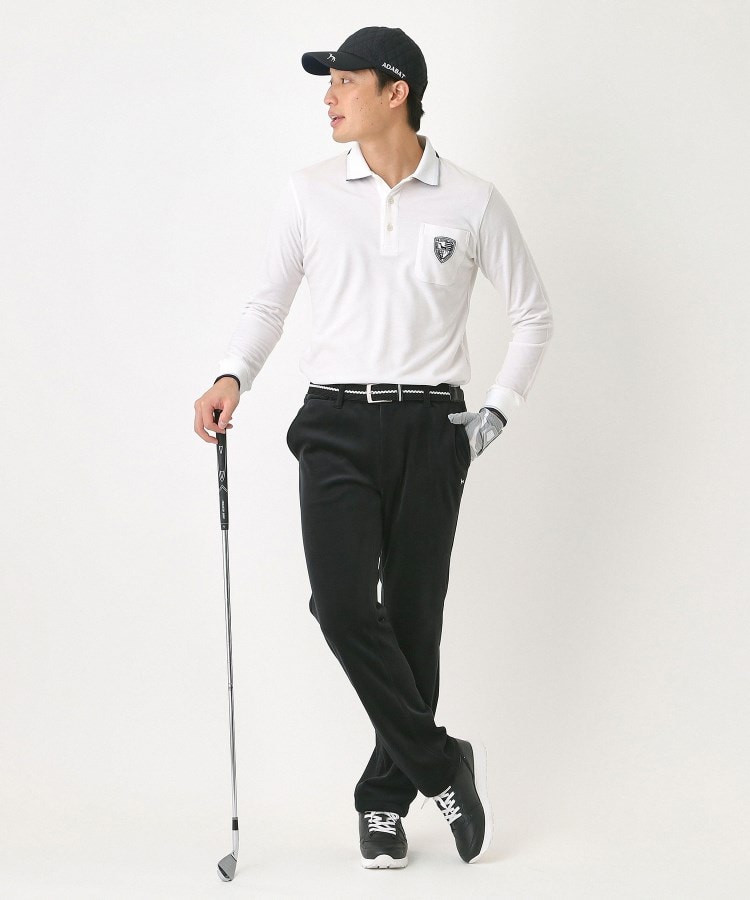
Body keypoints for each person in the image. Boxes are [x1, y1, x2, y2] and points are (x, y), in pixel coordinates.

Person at [194, 25, 553, 869]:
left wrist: (495, 414)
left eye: (346, 81)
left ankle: (385, 801)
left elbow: (534, 314)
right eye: (329, 82)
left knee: (416, 621)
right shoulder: (309, 192)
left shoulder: (472, 200)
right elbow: (269, 304)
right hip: (335, 425)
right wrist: (232, 374)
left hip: (433, 429)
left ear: (397, 92)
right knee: (345, 606)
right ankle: (442, 764)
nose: (329, 96)